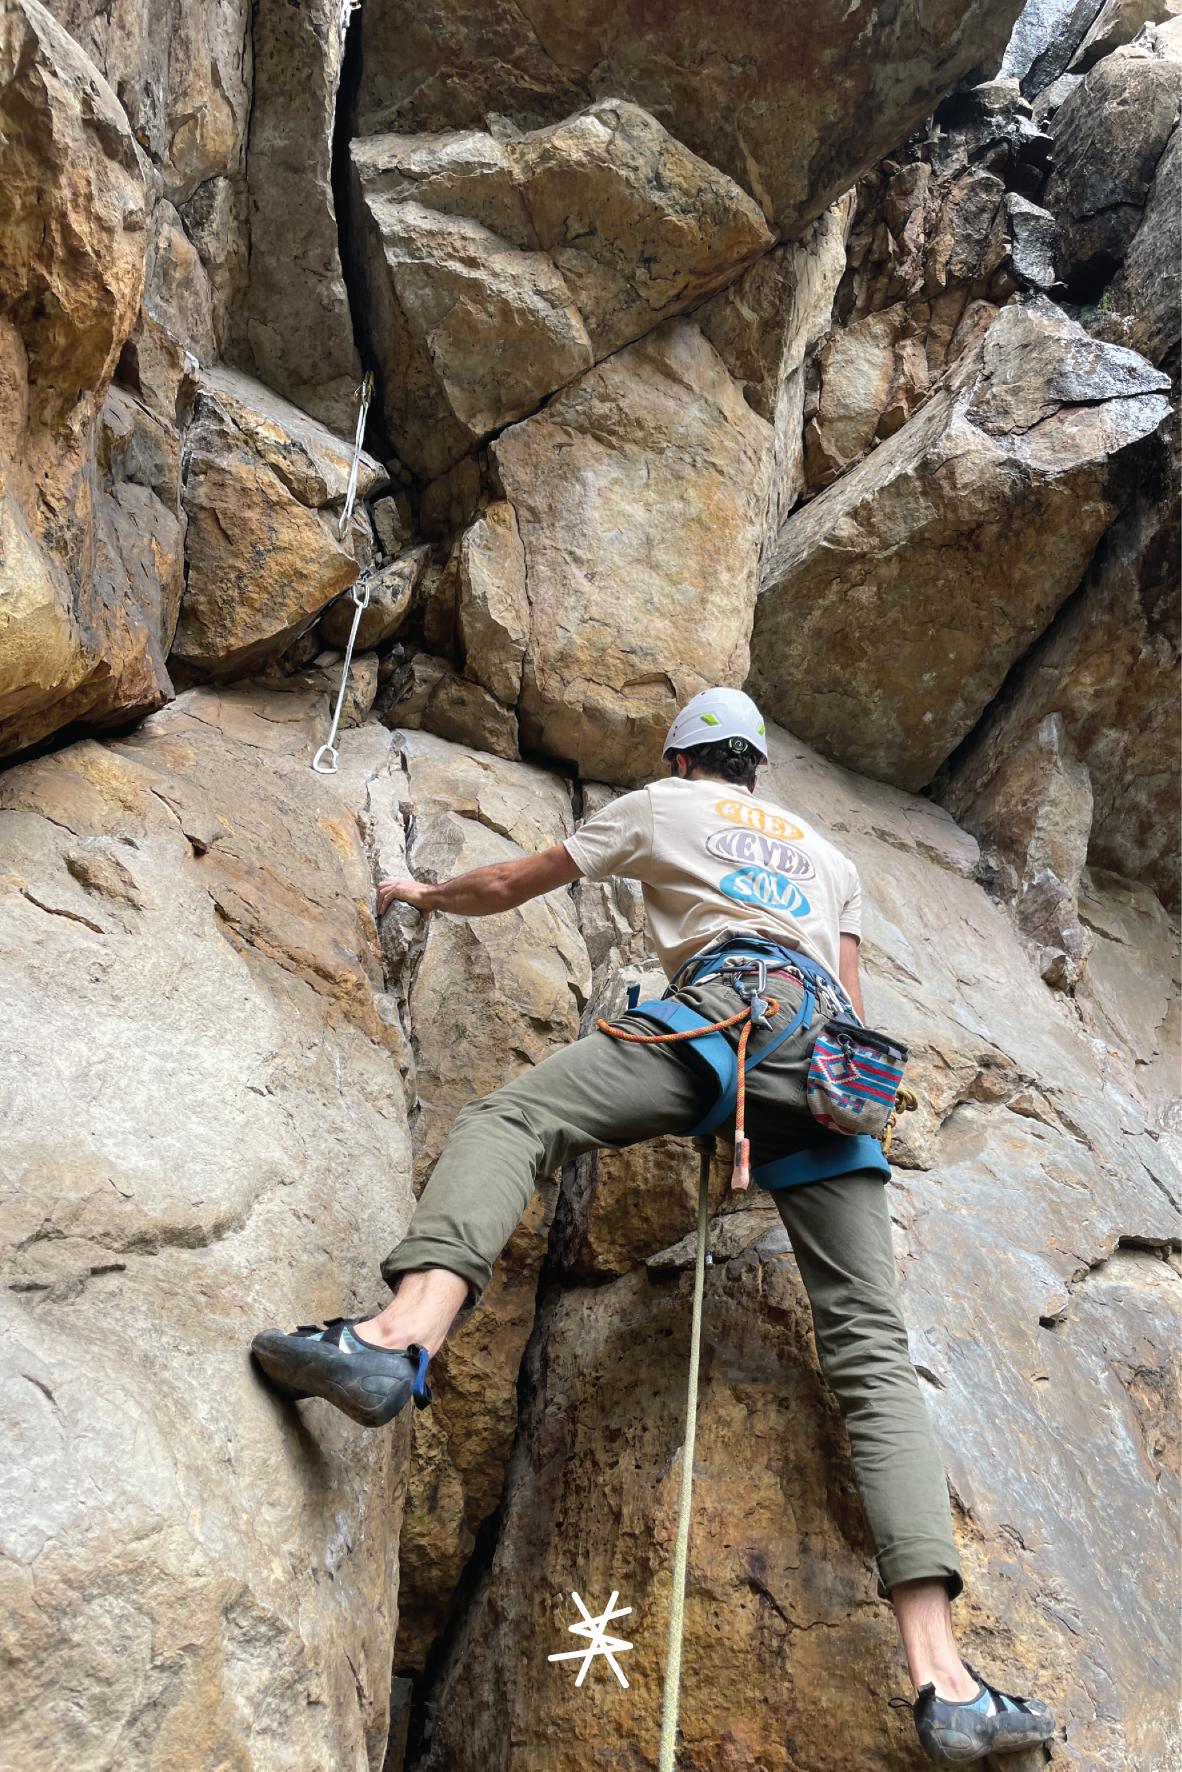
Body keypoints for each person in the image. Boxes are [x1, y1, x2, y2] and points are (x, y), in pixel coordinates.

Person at [253, 687, 1055, 1765]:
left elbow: (508, 880)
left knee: (516, 1117)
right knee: (869, 1348)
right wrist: (758, 1133)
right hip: (824, 1066)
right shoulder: (831, 859)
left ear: (682, 759)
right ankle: (945, 1678)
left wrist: (421, 890)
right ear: (757, 767)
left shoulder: (661, 808)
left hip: (719, 1016)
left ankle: (396, 1340)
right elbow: (852, 1012)